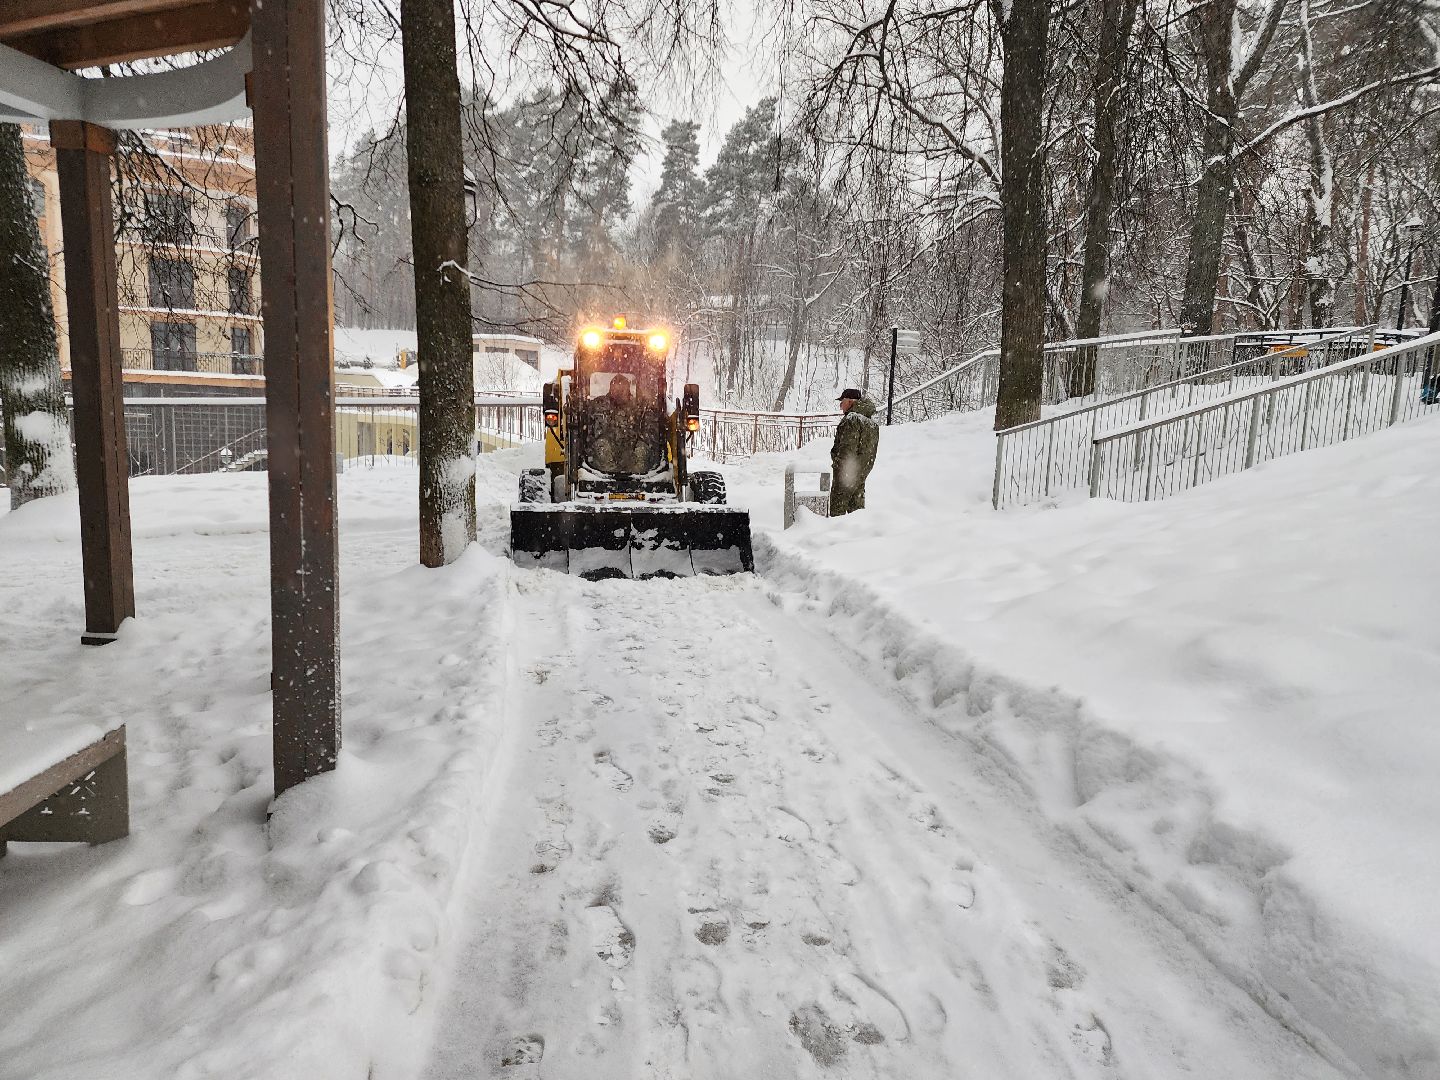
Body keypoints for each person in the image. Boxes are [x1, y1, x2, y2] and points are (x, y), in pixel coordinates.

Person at [829, 388, 879, 515]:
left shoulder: (851, 419)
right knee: (856, 516)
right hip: (861, 474)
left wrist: (837, 463)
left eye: (842, 402)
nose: (840, 406)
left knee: (837, 515)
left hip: (846, 475)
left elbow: (847, 449)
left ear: (850, 402)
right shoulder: (872, 424)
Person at [588, 374, 647, 474]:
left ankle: (634, 476)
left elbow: (647, 430)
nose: (619, 393)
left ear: (628, 390)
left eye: (622, 389)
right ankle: (611, 475)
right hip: (602, 465)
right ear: (611, 389)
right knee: (602, 446)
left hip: (631, 456)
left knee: (642, 449)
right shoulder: (598, 405)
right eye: (616, 389)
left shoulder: (639, 408)